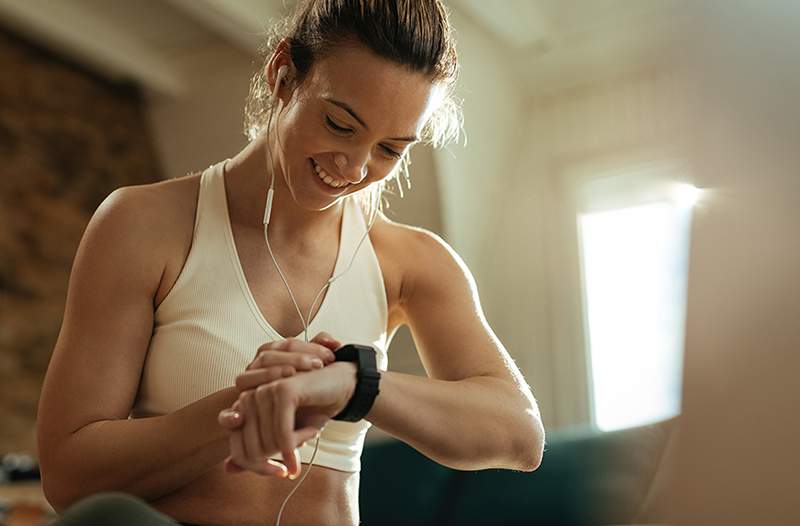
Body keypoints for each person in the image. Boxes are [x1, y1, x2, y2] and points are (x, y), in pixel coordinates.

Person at [36, 1, 545, 525]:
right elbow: (68, 474)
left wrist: (352, 381)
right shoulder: (143, 224)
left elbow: (520, 435)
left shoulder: (410, 262)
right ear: (283, 73)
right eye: (339, 124)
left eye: (390, 150)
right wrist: (248, 408)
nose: (354, 168)